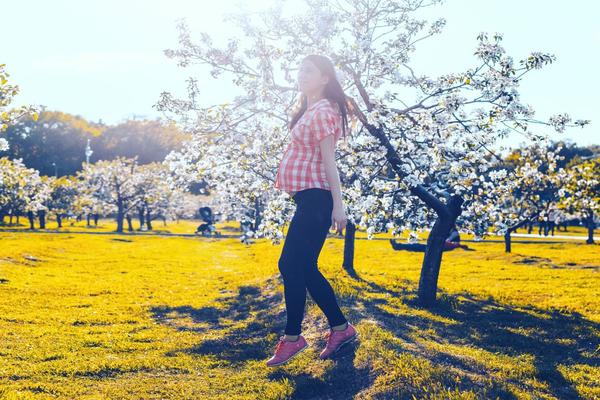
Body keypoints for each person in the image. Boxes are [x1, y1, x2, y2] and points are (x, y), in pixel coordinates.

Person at [266, 54, 358, 367]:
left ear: (325, 79)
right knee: (302, 267)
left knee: (290, 264)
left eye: (309, 70)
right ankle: (340, 329)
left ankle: (293, 339)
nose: (302, 74)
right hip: (308, 200)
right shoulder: (309, 109)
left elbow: (330, 162)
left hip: (318, 199)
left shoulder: (321, 111)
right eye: (300, 68)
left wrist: (338, 205)